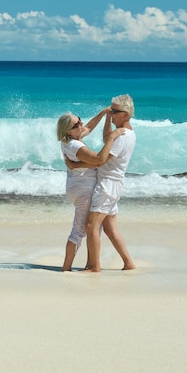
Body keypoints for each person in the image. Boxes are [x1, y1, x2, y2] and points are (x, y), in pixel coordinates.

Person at [69, 94, 136, 273]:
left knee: (91, 225)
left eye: (114, 112)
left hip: (107, 185)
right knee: (110, 229)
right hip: (113, 185)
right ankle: (128, 263)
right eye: (111, 110)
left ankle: (94, 267)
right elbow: (107, 138)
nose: (111, 113)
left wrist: (75, 164)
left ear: (125, 115)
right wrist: (107, 119)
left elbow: (100, 161)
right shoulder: (127, 133)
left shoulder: (121, 137)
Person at [57, 109, 125, 271]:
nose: (81, 124)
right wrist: (113, 137)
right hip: (83, 189)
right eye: (77, 124)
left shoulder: (71, 138)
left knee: (93, 228)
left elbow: (89, 127)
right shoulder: (75, 145)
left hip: (77, 186)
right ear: (68, 130)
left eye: (79, 120)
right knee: (79, 231)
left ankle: (90, 264)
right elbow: (99, 160)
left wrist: (103, 114)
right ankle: (65, 269)